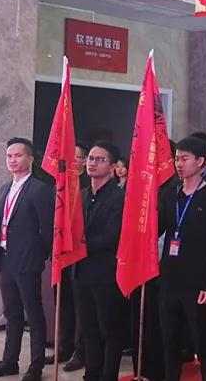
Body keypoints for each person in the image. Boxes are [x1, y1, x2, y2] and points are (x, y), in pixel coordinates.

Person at [0, 139, 55, 381]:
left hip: (27, 260)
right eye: (9, 156)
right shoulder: (5, 188)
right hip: (5, 258)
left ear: (30, 159)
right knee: (12, 313)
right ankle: (9, 361)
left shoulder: (39, 189)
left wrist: (39, 255)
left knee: (33, 314)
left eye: (18, 155)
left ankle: (36, 366)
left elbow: (47, 229)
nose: (13, 160)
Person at [158, 136, 206, 381]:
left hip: (198, 282)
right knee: (169, 340)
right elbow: (158, 228)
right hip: (169, 279)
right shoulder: (170, 193)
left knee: (204, 343)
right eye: (176, 159)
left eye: (184, 159)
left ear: (200, 161)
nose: (179, 164)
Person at [74, 141, 129, 381]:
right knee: (88, 329)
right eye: (90, 158)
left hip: (107, 273)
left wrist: (81, 245)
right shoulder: (82, 195)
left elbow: (113, 235)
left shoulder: (119, 197)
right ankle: (91, 374)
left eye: (99, 159)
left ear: (113, 166)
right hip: (81, 272)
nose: (92, 163)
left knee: (109, 330)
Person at [61, 141, 91, 372]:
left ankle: (81, 351)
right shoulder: (61, 183)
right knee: (64, 302)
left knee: (82, 306)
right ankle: (65, 346)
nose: (73, 161)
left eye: (77, 157)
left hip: (83, 254)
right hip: (63, 252)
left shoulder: (90, 186)